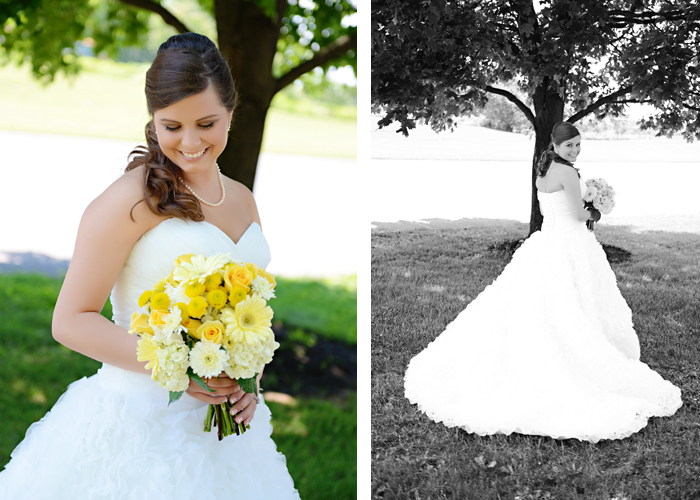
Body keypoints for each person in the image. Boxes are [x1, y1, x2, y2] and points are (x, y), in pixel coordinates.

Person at [0, 33, 301, 499]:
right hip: (140, 425)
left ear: (231, 113)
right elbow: (71, 321)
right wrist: (182, 371)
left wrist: (248, 379)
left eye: (206, 123)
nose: (191, 141)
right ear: (153, 121)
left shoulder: (242, 198)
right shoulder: (131, 199)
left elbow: (255, 312)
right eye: (172, 126)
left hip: (228, 441)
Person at [404, 122, 682, 443]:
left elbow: (554, 211)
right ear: (556, 145)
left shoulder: (544, 171)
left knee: (544, 305)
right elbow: (579, 216)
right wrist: (598, 210)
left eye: (578, 145)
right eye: (570, 147)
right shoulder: (567, 173)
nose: (575, 150)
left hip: (545, 243)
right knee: (573, 304)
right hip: (570, 245)